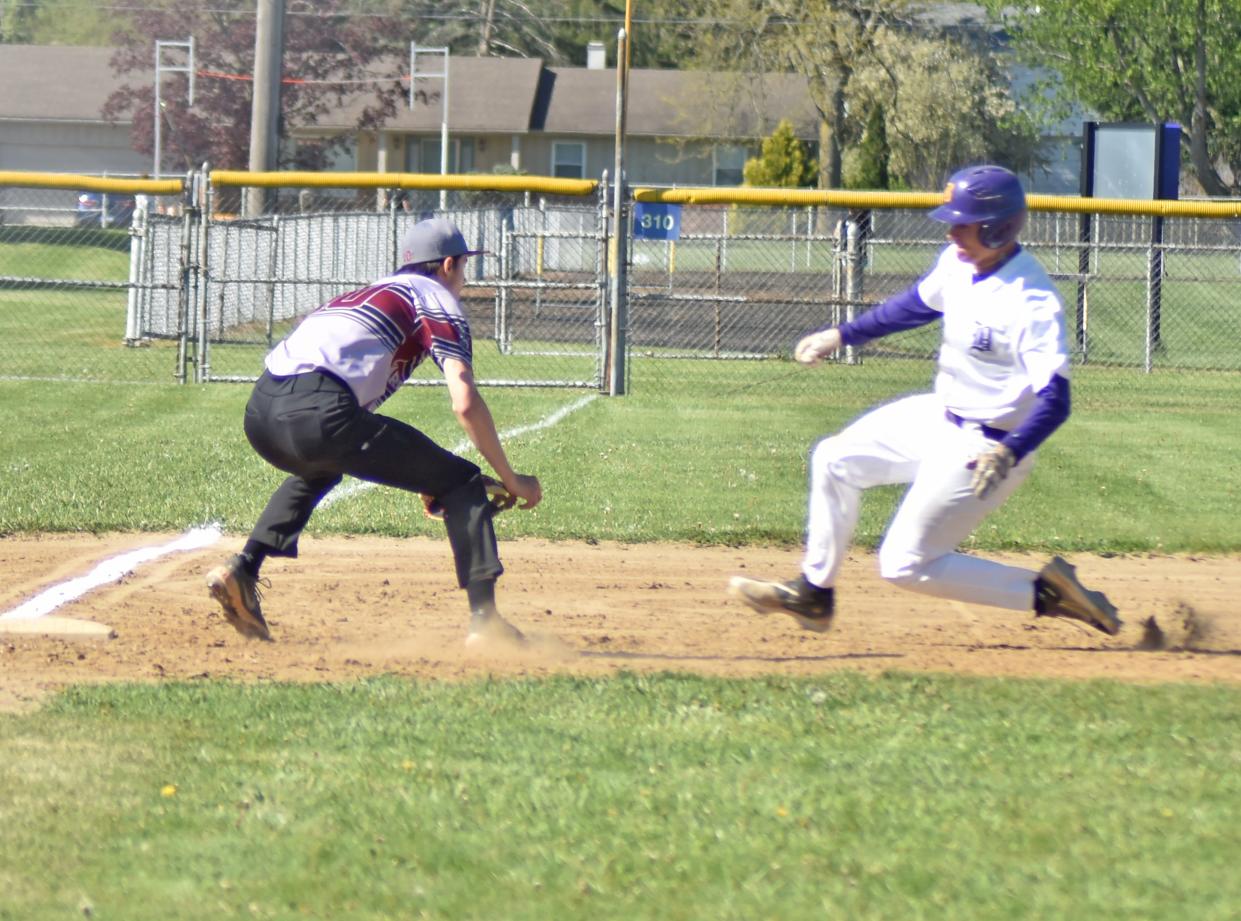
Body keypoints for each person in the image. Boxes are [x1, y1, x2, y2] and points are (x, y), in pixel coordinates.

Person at [729, 165, 1121, 637]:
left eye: (965, 222)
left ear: (999, 227)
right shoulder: (958, 262)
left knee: (902, 563)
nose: (953, 230)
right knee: (834, 459)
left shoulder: (1031, 302)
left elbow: (1056, 400)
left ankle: (1045, 592)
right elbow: (913, 306)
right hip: (940, 416)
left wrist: (1011, 450)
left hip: (989, 448)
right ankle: (815, 595)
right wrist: (840, 334)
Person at [206, 217, 542, 647]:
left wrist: (420, 475)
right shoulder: (435, 297)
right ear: (447, 265)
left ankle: (244, 569)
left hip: (260, 414)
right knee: (461, 481)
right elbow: (464, 401)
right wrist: (512, 480)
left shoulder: (361, 295)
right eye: (462, 267)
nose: (462, 278)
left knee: (321, 467)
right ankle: (486, 622)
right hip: (319, 412)